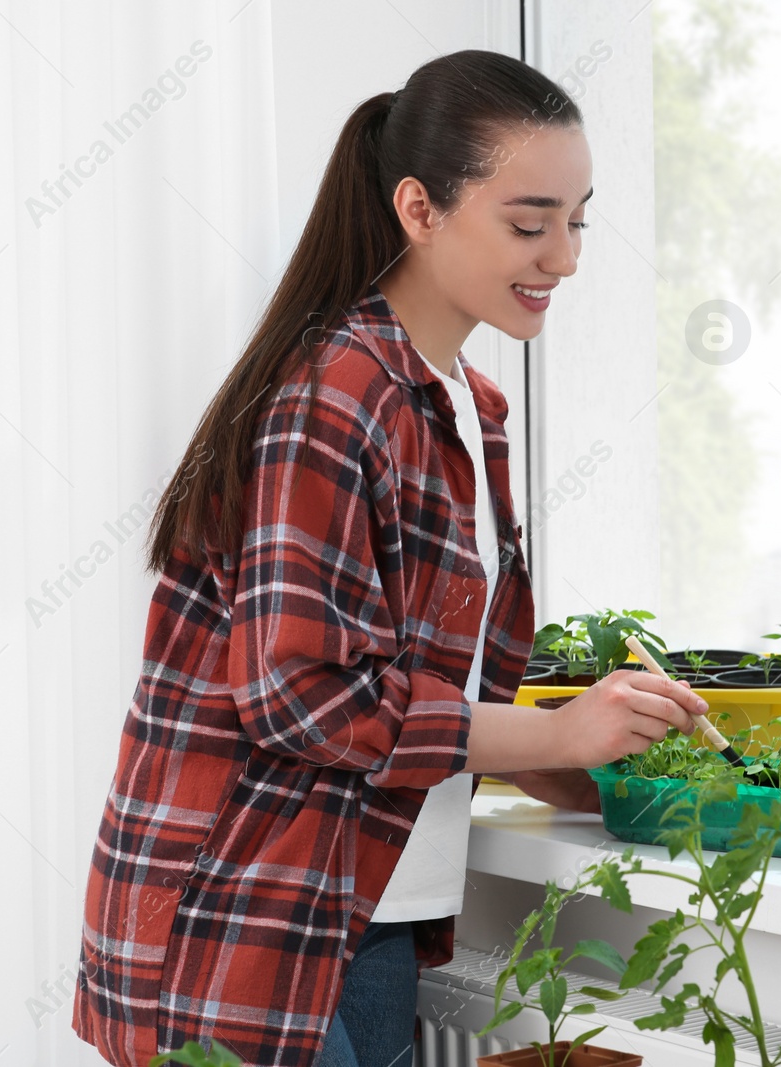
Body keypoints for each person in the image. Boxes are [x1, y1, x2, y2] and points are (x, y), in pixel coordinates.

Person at [69, 48, 709, 1067]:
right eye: (528, 221)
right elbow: (294, 691)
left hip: (370, 906)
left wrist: (580, 758)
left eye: (577, 219)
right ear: (418, 206)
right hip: (243, 915)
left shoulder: (468, 406)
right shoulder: (335, 392)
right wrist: (551, 738)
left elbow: (424, 680)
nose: (566, 256)